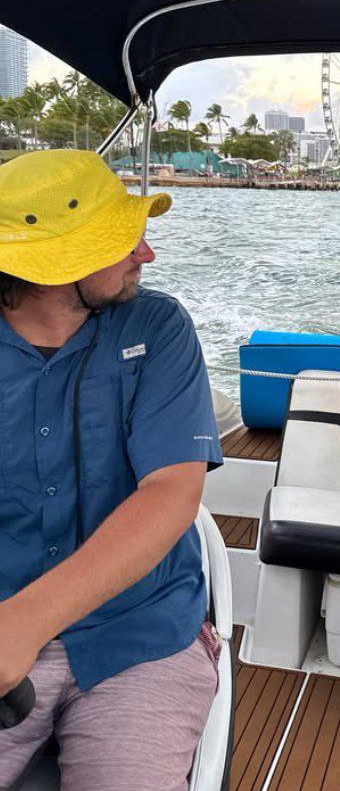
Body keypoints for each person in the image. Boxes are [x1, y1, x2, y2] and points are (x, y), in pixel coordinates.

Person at [0, 149, 224, 790]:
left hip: (140, 635)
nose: (145, 254)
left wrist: (25, 623)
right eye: (119, 241)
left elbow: (171, 493)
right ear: (53, 266)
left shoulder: (159, 327)